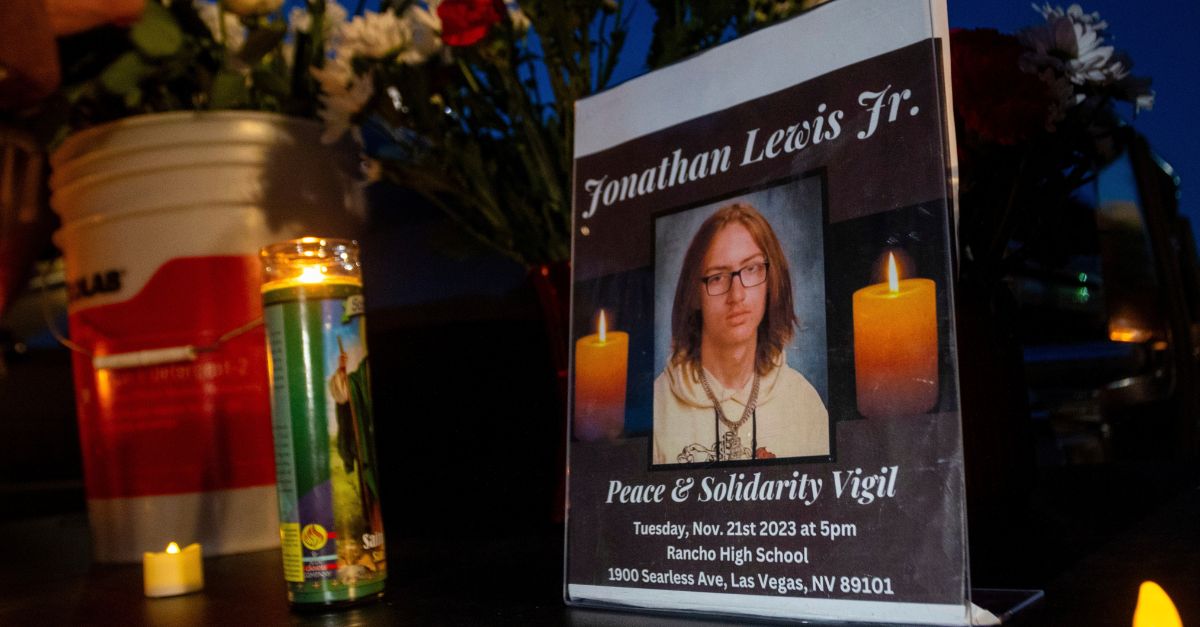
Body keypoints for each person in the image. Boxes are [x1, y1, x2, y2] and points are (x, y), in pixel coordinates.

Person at [653, 202, 828, 464]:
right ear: (694, 295)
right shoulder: (658, 407)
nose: (737, 295)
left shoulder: (803, 402)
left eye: (752, 268)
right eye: (717, 277)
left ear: (772, 281)